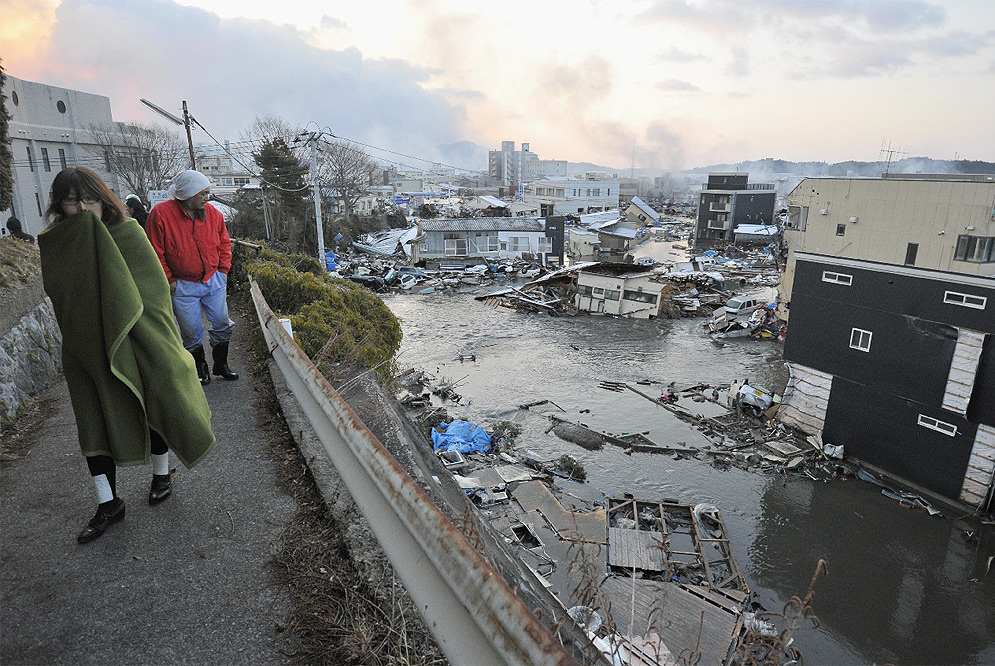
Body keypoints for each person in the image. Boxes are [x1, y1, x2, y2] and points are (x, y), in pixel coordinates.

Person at [37, 167, 215, 544]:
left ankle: (161, 473)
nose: (82, 209)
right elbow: (63, 296)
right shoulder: (57, 244)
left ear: (104, 200)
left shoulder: (128, 234)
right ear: (59, 206)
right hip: (85, 346)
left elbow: (153, 296)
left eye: (90, 199)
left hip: (138, 337)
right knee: (93, 420)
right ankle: (108, 503)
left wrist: (150, 340)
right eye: (71, 201)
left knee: (154, 400)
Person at [145, 170, 238, 384]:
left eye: (208, 193)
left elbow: (224, 242)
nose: (207, 197)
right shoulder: (161, 214)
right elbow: (154, 250)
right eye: (203, 193)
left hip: (213, 279)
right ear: (188, 194)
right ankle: (200, 369)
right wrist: (169, 279)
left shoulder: (213, 213)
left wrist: (223, 270)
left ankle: (221, 365)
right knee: (191, 331)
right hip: (182, 285)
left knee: (222, 323)